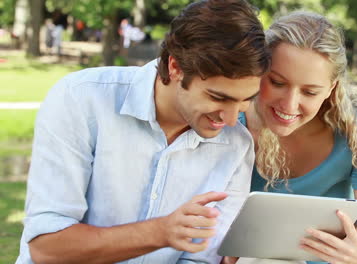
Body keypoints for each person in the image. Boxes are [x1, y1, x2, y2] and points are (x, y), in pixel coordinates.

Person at [15, 1, 270, 263]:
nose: (230, 119)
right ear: (175, 67)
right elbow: (47, 248)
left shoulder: (236, 145)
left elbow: (200, 258)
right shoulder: (81, 99)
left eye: (244, 100)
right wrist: (161, 232)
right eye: (218, 97)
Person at [233, 11, 357, 264]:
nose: (290, 105)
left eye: (310, 92)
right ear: (259, 71)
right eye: (277, 83)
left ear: (331, 89)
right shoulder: (231, 121)